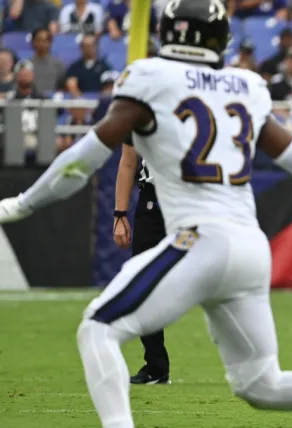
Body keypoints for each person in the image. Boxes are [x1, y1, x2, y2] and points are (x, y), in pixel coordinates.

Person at [0, 1, 292, 427]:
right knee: (261, 383)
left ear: (170, 33)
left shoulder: (151, 78)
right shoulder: (244, 85)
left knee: (97, 328)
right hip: (249, 248)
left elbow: (80, 161)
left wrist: (23, 203)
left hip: (201, 240)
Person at [113, 139, 172, 385]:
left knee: (217, 278)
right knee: (142, 284)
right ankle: (156, 366)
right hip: (151, 200)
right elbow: (128, 161)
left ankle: (249, 362)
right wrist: (120, 214)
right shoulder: (137, 108)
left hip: (192, 198)